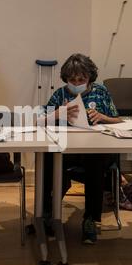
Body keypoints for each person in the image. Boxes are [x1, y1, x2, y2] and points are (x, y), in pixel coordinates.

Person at [39, 53, 122, 244]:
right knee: (49, 158)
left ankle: (91, 219)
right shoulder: (60, 94)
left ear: (90, 77)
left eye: (81, 79)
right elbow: (40, 121)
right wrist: (58, 114)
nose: (76, 83)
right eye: (72, 79)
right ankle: (47, 213)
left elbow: (119, 120)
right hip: (68, 148)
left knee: (96, 160)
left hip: (95, 149)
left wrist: (102, 117)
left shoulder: (100, 92)